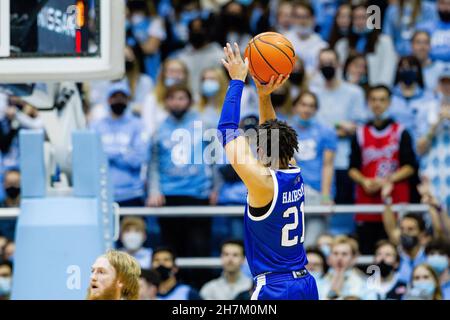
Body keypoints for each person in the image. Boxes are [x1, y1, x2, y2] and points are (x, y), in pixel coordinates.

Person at [218, 42, 318, 300]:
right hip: (305, 283)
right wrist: (263, 96)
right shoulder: (294, 172)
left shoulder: (263, 184)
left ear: (262, 151)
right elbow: (271, 131)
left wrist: (237, 81)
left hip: (276, 288)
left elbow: (226, 130)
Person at [147, 85, 213, 258]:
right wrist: (154, 190)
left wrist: (216, 188)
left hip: (198, 193)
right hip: (169, 194)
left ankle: (198, 284)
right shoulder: (159, 128)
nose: (177, 103)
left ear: (190, 101)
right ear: (166, 101)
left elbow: (215, 157)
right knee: (171, 248)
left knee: (199, 247)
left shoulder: (204, 124)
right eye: (172, 98)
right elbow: (153, 163)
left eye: (181, 98)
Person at [349, 85, 416, 254]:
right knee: (368, 254)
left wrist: (387, 181)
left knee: (395, 251)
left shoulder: (401, 131)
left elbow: (411, 166)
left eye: (382, 100)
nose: (377, 104)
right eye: (373, 99)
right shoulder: (360, 133)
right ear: (368, 103)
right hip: (367, 202)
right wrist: (364, 180)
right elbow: (352, 168)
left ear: (389, 103)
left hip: (395, 201)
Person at [90, 82, 150, 207]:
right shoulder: (96, 126)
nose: (118, 100)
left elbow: (139, 159)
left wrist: (107, 152)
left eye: (122, 97)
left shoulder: (138, 125)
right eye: (114, 97)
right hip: (103, 193)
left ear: (128, 100)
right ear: (108, 99)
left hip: (132, 193)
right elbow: (92, 158)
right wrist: (123, 151)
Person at [290, 91, 337, 247]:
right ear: (295, 107)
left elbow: (328, 164)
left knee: (310, 244)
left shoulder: (326, 132)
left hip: (316, 191)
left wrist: (325, 195)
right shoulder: (285, 130)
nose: (307, 109)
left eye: (311, 106)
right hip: (292, 192)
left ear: (316, 109)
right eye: (303, 104)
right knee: (292, 243)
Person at [335, 3, 397, 86]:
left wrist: (381, 89)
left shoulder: (384, 42)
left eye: (363, 18)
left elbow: (388, 69)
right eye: (355, 18)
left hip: (376, 91)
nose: (360, 22)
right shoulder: (342, 45)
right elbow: (338, 72)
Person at [416, 65, 450, 211]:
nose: (447, 86)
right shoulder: (428, 108)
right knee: (434, 218)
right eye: (444, 82)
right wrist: (435, 125)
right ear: (439, 85)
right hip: (434, 173)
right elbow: (419, 148)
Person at [389, 56, 435, 146]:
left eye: (411, 68)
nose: (407, 70)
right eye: (403, 68)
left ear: (418, 71)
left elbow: (432, 123)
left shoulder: (429, 97)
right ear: (398, 70)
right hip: (393, 148)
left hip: (421, 148)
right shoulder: (389, 96)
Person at [141, 58, 190, 137]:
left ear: (185, 75)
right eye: (171, 71)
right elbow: (148, 128)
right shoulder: (152, 98)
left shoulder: (192, 98)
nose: (175, 76)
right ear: (163, 74)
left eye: (179, 72)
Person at [176, 17, 224, 96]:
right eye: (194, 30)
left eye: (200, 30)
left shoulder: (220, 56)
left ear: (207, 32)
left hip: (213, 101)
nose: (196, 32)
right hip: (187, 101)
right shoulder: (181, 57)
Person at [382, 204, 428, 283]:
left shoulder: (429, 255)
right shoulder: (394, 256)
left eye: (410, 229)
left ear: (421, 234)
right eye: (402, 229)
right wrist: (387, 201)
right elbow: (390, 227)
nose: (405, 233)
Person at [318, 235, 374, 300]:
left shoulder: (365, 283)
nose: (339, 258)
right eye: (335, 253)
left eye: (344, 254)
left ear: (354, 258)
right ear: (329, 258)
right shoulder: (319, 281)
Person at [285, 2, 327, 76]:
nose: (302, 21)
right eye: (298, 17)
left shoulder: (322, 45)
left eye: (306, 17)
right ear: (292, 19)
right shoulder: (283, 42)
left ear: (313, 19)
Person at [0, 170, 20, 240]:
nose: (12, 187)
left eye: (15, 183)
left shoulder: (28, 209)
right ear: (4, 184)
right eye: (9, 183)